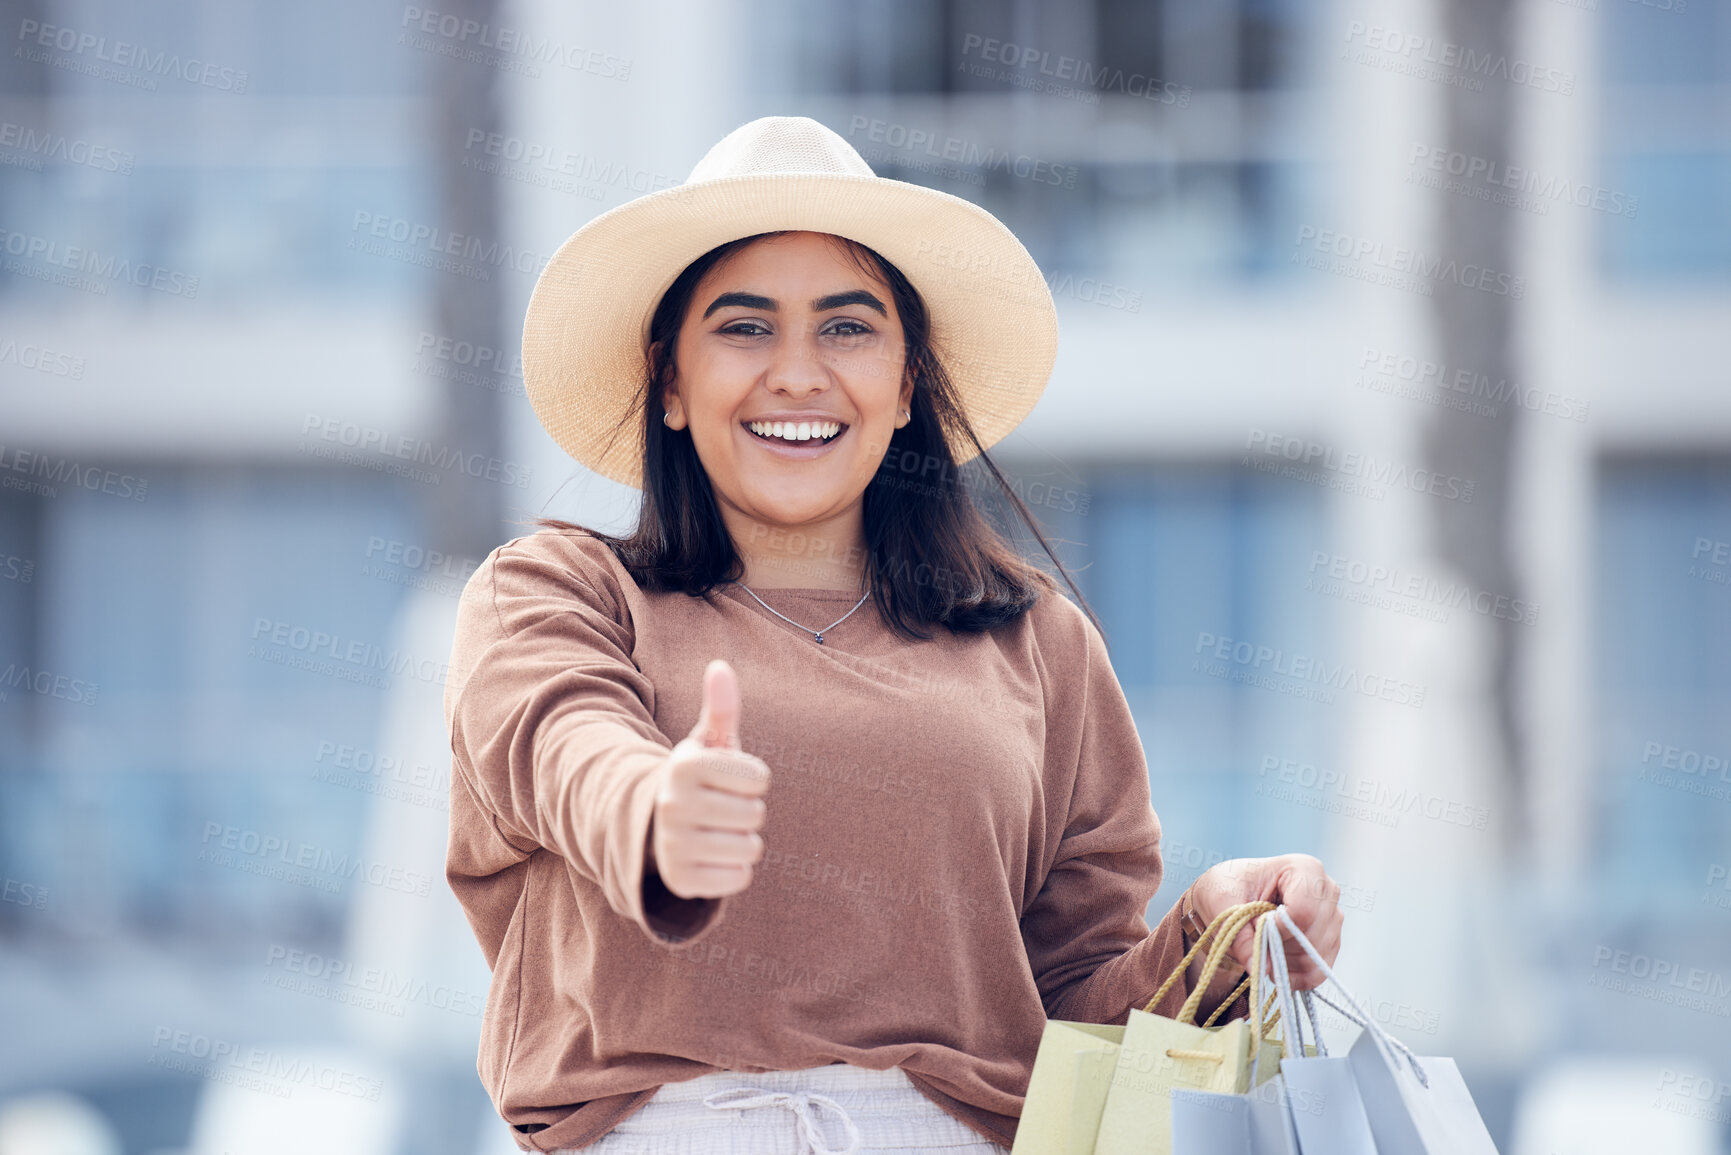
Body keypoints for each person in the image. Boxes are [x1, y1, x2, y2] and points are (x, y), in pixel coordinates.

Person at [443, 116, 1344, 1155]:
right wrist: (653, 813)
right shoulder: (554, 591)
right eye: (743, 328)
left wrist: (1215, 936)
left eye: (847, 328)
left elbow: (1074, 1015)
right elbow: (562, 745)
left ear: (907, 381)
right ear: (672, 384)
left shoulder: (1038, 644)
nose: (796, 373)